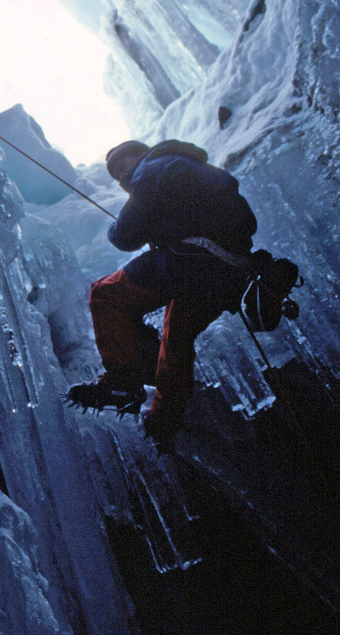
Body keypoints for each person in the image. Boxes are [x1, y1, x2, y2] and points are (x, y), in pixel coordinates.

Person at [67, 139, 258, 449]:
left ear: (138, 156)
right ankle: (165, 419)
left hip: (190, 262)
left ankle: (124, 381)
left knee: (106, 295)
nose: (121, 177)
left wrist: (116, 230)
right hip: (229, 272)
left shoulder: (154, 166)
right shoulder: (197, 168)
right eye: (116, 175)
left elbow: (126, 235)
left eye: (121, 166)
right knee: (176, 337)